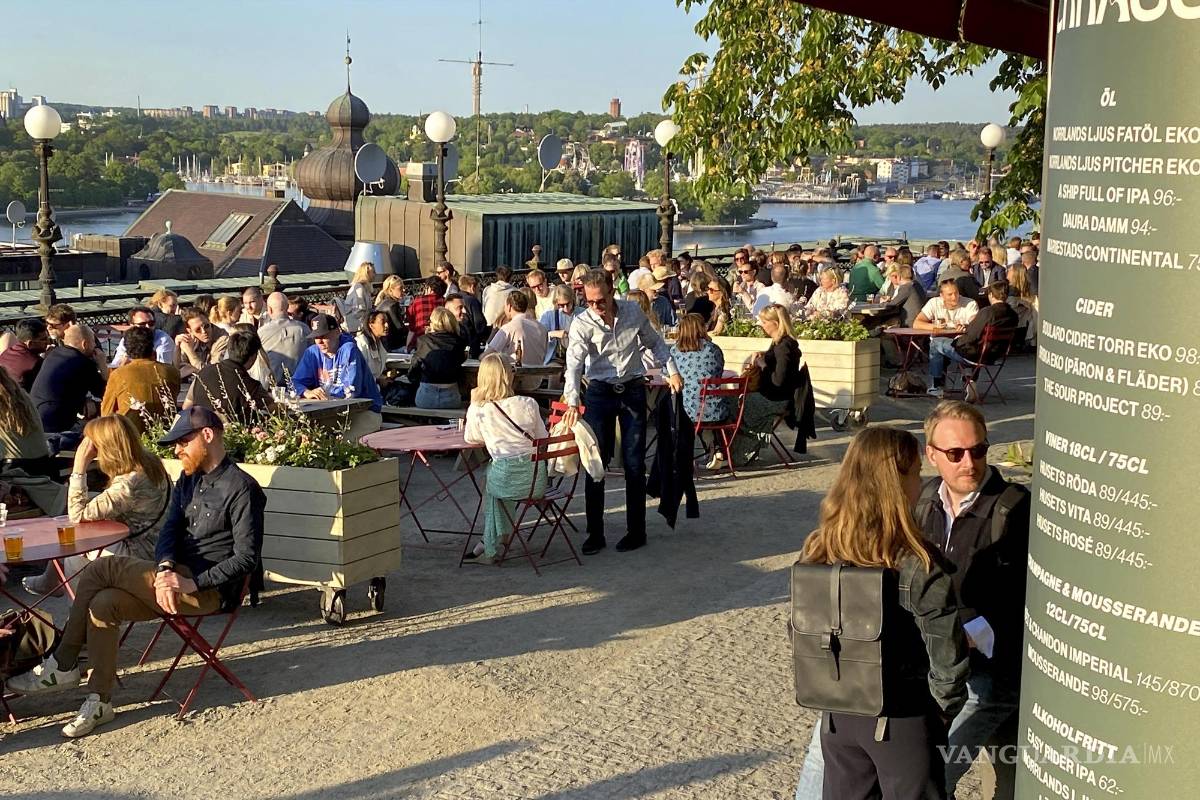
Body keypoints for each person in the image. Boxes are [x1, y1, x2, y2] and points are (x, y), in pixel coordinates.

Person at [7, 406, 265, 738]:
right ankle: (99, 700)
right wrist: (165, 569)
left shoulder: (243, 489)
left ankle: (62, 662)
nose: (177, 450)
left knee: (102, 566)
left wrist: (191, 581)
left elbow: (247, 559)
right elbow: (170, 533)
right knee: (103, 603)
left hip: (209, 590)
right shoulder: (189, 478)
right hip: (172, 579)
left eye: (183, 441)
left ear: (208, 435)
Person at [795, 427, 969, 800]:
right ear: (897, 481)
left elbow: (799, 633)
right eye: (914, 472)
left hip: (838, 718)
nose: (920, 481)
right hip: (903, 718)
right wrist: (940, 712)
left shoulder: (819, 549)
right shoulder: (918, 562)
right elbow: (948, 656)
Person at [917, 401, 1029, 800]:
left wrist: (971, 630)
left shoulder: (1016, 508)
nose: (969, 462)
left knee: (930, 776)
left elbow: (1027, 603)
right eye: (955, 453)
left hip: (989, 676)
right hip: (935, 669)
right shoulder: (923, 501)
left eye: (978, 450)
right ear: (931, 455)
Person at [560, 270, 681, 555]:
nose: (595, 307)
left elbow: (655, 343)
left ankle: (636, 531)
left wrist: (672, 371)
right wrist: (572, 400)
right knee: (595, 464)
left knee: (634, 463)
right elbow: (574, 365)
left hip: (633, 387)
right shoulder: (582, 322)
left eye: (600, 300)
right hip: (600, 391)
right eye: (589, 301)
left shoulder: (633, 311)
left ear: (612, 290)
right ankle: (595, 533)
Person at [22, 414, 174, 597]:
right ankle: (52, 582)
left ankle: (77, 612)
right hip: (161, 546)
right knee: (77, 531)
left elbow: (76, 514)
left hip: (141, 555)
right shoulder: (150, 462)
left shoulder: (128, 484)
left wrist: (79, 466)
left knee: (74, 548)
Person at [462, 354, 549, 562]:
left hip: (506, 479)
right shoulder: (528, 403)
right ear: (508, 376)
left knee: (492, 480)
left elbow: (471, 438)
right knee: (495, 478)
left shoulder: (479, 408)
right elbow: (542, 437)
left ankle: (490, 543)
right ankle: (496, 538)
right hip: (535, 481)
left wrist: (474, 406)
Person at [724, 304, 801, 467]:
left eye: (765, 322)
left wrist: (762, 364)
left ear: (776, 323)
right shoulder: (781, 342)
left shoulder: (784, 346)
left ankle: (735, 451)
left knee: (729, 405)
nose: (762, 325)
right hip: (775, 395)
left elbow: (778, 380)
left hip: (776, 399)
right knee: (732, 401)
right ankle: (736, 450)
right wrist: (764, 355)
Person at [292, 314, 384, 439]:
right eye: (316, 337)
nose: (319, 341)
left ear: (337, 332)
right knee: (305, 435)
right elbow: (294, 382)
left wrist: (324, 394)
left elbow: (351, 391)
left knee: (341, 445)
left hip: (364, 412)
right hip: (331, 413)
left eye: (323, 336)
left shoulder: (349, 350)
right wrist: (306, 391)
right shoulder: (312, 352)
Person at [30, 323, 107, 439]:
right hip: (56, 427)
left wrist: (87, 400)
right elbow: (105, 392)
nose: (95, 346)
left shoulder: (54, 354)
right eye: (93, 342)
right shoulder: (83, 363)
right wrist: (102, 364)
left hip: (35, 417)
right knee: (96, 435)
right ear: (84, 344)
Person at [184, 330, 275, 424]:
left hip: (199, 428)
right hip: (234, 435)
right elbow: (273, 409)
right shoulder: (251, 386)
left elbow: (187, 405)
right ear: (253, 356)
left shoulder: (204, 372)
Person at [101, 326, 182, 429]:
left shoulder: (119, 375)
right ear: (153, 349)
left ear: (127, 351)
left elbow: (106, 413)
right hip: (166, 431)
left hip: (131, 435)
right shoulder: (172, 372)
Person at [914, 280, 981, 398]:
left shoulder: (969, 303)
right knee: (937, 343)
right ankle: (968, 378)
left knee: (935, 344)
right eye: (950, 294)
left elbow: (975, 322)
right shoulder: (934, 303)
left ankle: (936, 386)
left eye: (956, 293)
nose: (954, 297)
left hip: (963, 343)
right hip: (950, 344)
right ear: (941, 295)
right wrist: (935, 326)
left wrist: (966, 326)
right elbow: (917, 323)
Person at [669, 313, 727, 430]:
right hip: (716, 412)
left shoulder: (675, 351)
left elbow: (667, 375)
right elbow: (718, 372)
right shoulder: (713, 349)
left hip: (686, 414)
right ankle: (713, 445)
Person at [483, 291, 549, 388]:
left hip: (514, 382)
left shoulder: (509, 327)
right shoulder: (542, 328)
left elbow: (487, 354)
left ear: (509, 306)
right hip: (536, 381)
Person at [408, 307, 467, 410]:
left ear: (433, 323)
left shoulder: (423, 340)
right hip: (451, 398)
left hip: (426, 398)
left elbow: (414, 368)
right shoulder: (459, 342)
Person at [256, 291, 309, 383]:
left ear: (269, 309)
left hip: (273, 385)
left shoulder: (262, 332)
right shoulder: (304, 329)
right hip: (301, 384)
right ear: (287, 307)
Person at [110, 306, 175, 368]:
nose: (148, 327)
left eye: (151, 323)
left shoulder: (163, 340)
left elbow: (164, 368)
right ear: (132, 325)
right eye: (142, 324)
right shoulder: (127, 339)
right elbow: (116, 364)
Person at [0, 318, 49, 390]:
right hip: (21, 399)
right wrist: (49, 359)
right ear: (30, 343)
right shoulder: (35, 363)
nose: (47, 342)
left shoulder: (6, 353)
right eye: (43, 339)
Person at [174, 308, 224, 378]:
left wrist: (190, 352)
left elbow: (212, 373)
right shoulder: (190, 339)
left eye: (206, 326)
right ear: (190, 331)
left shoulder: (223, 339)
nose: (204, 331)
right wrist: (177, 347)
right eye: (198, 330)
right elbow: (175, 371)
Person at [374, 275, 410, 351]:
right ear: (390, 290)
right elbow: (399, 328)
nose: (403, 290)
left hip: (383, 344)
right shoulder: (393, 305)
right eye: (400, 288)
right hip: (394, 345)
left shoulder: (381, 303)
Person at [455, 274, 489, 356]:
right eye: (478, 288)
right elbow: (479, 325)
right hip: (471, 344)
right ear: (472, 287)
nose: (479, 291)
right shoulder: (472, 301)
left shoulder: (453, 299)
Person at [407, 276, 447, 343]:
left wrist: (408, 346)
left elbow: (412, 328)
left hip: (420, 341)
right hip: (441, 341)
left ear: (430, 288)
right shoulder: (445, 302)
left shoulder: (417, 302)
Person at [355, 310, 391, 381]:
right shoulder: (361, 343)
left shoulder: (379, 342)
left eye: (387, 322)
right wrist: (378, 380)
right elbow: (359, 372)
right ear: (371, 325)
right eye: (383, 322)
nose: (387, 325)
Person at [341, 261, 375, 333]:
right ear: (367, 273)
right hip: (356, 327)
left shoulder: (365, 287)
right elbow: (358, 311)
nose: (375, 274)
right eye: (373, 272)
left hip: (361, 324)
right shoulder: (359, 288)